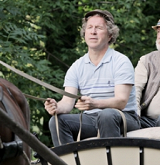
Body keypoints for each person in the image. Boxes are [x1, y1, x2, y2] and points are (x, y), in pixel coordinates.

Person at [44, 10, 140, 147]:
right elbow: (67, 102)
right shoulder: (77, 67)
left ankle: (111, 164)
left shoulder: (121, 61)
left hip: (124, 118)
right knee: (57, 121)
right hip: (91, 119)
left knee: (106, 115)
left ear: (110, 35)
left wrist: (94, 104)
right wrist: (56, 107)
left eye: (99, 28)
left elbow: (121, 101)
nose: (93, 32)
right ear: (84, 34)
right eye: (90, 27)